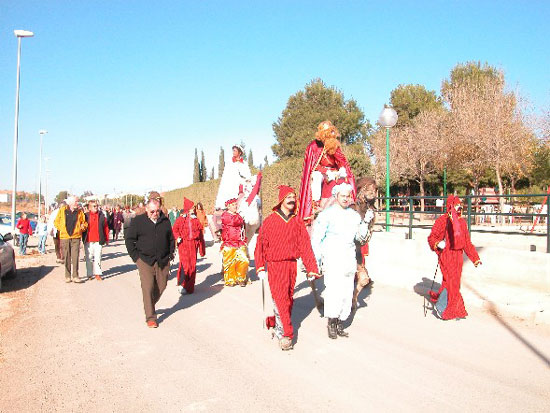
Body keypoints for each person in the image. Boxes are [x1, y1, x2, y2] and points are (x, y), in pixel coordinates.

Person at [254, 185, 320, 350]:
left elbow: (305, 245)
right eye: (288, 196)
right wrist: (260, 266)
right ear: (281, 200)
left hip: (291, 265)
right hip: (275, 266)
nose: (292, 199)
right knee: (280, 299)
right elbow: (261, 245)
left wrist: (311, 267)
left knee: (288, 300)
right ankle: (286, 335)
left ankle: (278, 324)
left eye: (293, 196)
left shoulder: (297, 221)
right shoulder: (270, 221)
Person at [311, 183, 370, 339]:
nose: (345, 198)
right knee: (333, 290)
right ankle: (331, 321)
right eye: (342, 196)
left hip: (348, 257)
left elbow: (361, 238)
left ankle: (340, 322)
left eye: (347, 196)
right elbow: (317, 238)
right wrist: (315, 260)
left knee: (346, 290)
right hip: (332, 256)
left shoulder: (354, 216)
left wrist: (365, 223)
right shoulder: (326, 215)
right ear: (336, 196)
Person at [427, 195, 482, 320]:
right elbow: (432, 237)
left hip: (458, 256)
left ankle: (452, 308)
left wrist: (475, 258)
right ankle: (443, 307)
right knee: (451, 281)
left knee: (454, 283)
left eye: (459, 204)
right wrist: (437, 243)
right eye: (456, 204)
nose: (459, 207)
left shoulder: (462, 222)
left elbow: (467, 243)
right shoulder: (443, 221)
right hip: (447, 254)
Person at [125, 199, 175, 328]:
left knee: (161, 285)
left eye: (157, 211)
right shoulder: (138, 221)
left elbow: (171, 239)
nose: (155, 213)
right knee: (148, 287)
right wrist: (135, 257)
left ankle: (149, 305)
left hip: (162, 260)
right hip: (144, 260)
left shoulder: (165, 221)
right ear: (147, 209)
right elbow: (129, 240)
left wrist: (170, 254)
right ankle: (151, 317)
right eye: (152, 211)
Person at [298, 121, 356, 225]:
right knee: (316, 177)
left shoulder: (334, 144)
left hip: (334, 171)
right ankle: (316, 205)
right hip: (321, 171)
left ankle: (349, 203)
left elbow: (341, 160)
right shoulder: (314, 146)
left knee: (344, 179)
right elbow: (313, 165)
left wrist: (342, 169)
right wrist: (326, 171)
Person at [172, 198, 206, 295]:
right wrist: (177, 237)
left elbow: (200, 234)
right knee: (185, 265)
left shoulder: (195, 220)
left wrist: (201, 248)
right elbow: (175, 230)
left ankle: (190, 286)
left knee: (192, 265)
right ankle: (182, 284)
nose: (192, 210)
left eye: (193, 209)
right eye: (191, 208)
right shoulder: (180, 220)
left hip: (193, 245)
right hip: (184, 244)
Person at [54, 196, 88, 283]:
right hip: (65, 237)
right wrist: (62, 229)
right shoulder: (62, 210)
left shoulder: (80, 212)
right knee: (67, 257)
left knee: (75, 256)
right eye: (76, 201)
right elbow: (56, 222)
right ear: (71, 203)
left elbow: (84, 223)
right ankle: (67, 276)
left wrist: (82, 227)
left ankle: (75, 276)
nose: (78, 203)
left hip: (76, 237)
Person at [220, 198, 249, 287]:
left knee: (244, 260)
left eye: (236, 204)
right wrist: (241, 218)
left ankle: (241, 278)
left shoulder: (238, 215)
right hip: (229, 242)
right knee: (229, 262)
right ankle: (230, 280)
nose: (235, 206)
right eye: (233, 205)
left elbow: (242, 225)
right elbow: (234, 222)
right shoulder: (225, 215)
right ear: (228, 206)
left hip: (239, 242)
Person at [215, 145, 251, 210]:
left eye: (235, 151)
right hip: (230, 186)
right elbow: (226, 176)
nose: (233, 152)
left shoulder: (244, 164)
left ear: (239, 152)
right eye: (233, 151)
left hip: (241, 186)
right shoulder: (229, 163)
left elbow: (247, 175)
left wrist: (244, 181)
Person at [82, 200, 109, 281]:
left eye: (96, 206)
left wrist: (107, 239)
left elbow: (106, 227)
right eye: (94, 206)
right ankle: (89, 274)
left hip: (98, 240)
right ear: (89, 207)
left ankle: (98, 274)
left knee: (98, 257)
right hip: (88, 240)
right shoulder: (85, 216)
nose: (96, 207)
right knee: (89, 257)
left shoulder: (101, 216)